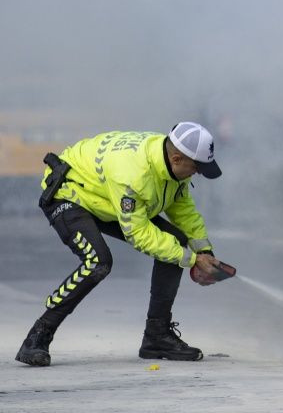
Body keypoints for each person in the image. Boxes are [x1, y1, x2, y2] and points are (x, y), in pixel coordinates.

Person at [15, 123, 228, 366]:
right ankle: (37, 338)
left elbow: (183, 211)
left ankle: (156, 337)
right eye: (196, 168)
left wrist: (204, 252)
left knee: (176, 242)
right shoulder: (134, 175)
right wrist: (191, 259)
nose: (197, 173)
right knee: (98, 262)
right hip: (69, 193)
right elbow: (139, 234)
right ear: (177, 158)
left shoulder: (170, 162)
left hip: (104, 196)